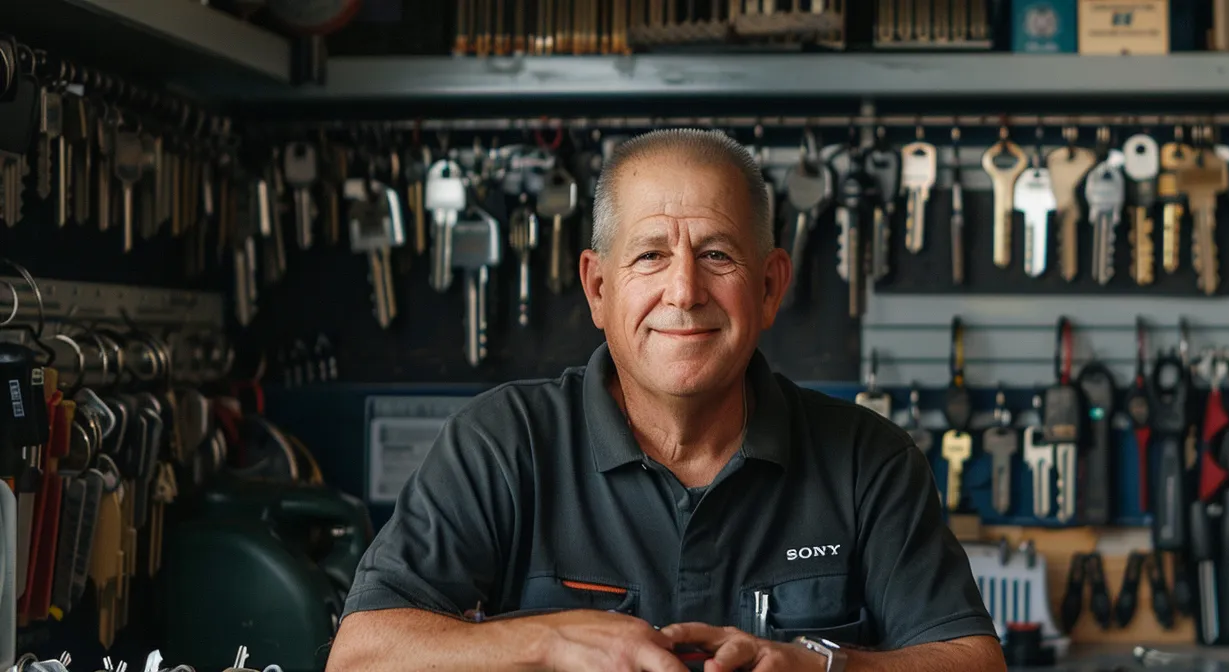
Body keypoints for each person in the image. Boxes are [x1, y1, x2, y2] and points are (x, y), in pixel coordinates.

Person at [327, 129, 1003, 672]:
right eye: (650, 255)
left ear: (769, 287)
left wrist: (823, 666)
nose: (684, 292)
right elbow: (361, 656)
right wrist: (550, 642)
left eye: (717, 255)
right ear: (598, 288)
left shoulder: (867, 461)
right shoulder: (503, 443)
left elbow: (973, 661)